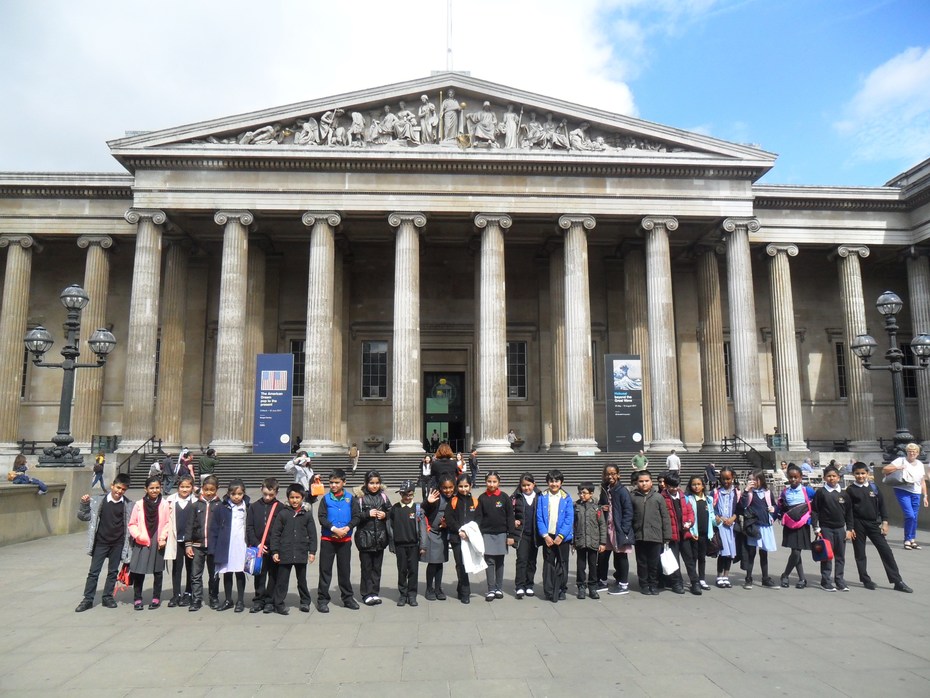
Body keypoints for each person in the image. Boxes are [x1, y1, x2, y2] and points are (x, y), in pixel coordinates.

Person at [846, 462, 913, 592]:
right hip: (857, 524)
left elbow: (882, 506)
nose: (860, 476)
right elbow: (848, 511)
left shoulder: (874, 488)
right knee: (860, 553)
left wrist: (885, 522)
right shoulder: (850, 490)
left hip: (873, 524)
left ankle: (897, 580)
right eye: (857, 473)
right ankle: (865, 579)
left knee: (886, 550)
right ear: (853, 474)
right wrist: (850, 527)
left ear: (867, 474)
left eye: (863, 473)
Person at [75, 473, 133, 612]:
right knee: (94, 572)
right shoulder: (97, 501)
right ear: (112, 485)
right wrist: (84, 504)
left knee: (113, 572)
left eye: (123, 489)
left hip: (118, 543)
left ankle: (107, 596)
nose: (119, 492)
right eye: (118, 488)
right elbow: (84, 517)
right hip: (101, 542)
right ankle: (88, 599)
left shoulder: (129, 505)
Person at [270, 484, 318, 614]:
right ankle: (278, 603)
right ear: (288, 498)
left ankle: (305, 601)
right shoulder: (283, 514)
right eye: (292, 497)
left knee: (302, 580)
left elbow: (313, 534)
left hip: (301, 551)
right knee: (282, 581)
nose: (294, 500)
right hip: (285, 552)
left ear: (302, 498)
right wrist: (275, 551)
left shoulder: (306, 514)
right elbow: (275, 534)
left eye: (297, 497)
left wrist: (312, 551)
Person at [316, 468, 359, 612]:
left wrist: (347, 528)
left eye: (336, 482)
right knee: (325, 570)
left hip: (345, 540)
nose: (333, 485)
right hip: (328, 539)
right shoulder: (326, 499)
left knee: (345, 570)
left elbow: (356, 516)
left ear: (344, 482)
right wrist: (334, 529)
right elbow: (321, 517)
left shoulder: (350, 498)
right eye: (331, 483)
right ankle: (322, 599)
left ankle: (347, 598)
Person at [127, 475, 170, 610]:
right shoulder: (139, 505)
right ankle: (138, 598)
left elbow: (168, 522)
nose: (154, 490)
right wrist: (138, 536)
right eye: (151, 488)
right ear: (145, 489)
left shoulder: (164, 504)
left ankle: (156, 597)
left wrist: (163, 537)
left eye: (157, 488)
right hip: (143, 539)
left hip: (158, 538)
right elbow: (132, 523)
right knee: (139, 570)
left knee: (158, 571)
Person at [811, 465, 853, 592]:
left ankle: (840, 580)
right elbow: (815, 511)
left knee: (840, 556)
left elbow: (849, 512)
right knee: (827, 556)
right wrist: (816, 527)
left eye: (834, 476)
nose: (831, 478)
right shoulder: (821, 492)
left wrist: (849, 529)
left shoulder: (844, 494)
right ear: (824, 478)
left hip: (840, 529)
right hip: (826, 528)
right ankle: (826, 581)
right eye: (829, 476)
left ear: (838, 478)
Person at [475, 471, 515, 601]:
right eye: (489, 481)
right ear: (486, 482)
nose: (491, 484)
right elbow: (479, 517)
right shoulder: (482, 498)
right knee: (489, 561)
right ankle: (491, 588)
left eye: (494, 482)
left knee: (500, 562)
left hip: (502, 534)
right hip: (487, 534)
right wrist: (478, 534)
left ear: (499, 482)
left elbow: (510, 517)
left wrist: (511, 535)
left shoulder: (504, 497)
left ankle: (499, 588)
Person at [386, 479, 427, 607]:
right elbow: (389, 526)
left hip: (414, 545)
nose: (407, 497)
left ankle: (412, 594)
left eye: (410, 494)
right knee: (402, 570)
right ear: (400, 494)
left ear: (414, 494)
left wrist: (423, 545)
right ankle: (403, 594)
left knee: (413, 570)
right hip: (400, 545)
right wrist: (392, 544)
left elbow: (422, 528)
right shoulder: (395, 509)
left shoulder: (418, 508)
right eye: (405, 494)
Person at [210, 479, 250, 612]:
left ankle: (240, 600)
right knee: (227, 572)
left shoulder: (247, 507)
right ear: (228, 494)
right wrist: (213, 547)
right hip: (226, 544)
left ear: (243, 493)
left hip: (241, 544)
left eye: (239, 494)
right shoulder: (221, 507)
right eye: (233, 494)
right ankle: (228, 599)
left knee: (240, 572)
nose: (236, 497)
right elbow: (214, 528)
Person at [353, 470, 391, 606]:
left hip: (380, 538)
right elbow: (355, 516)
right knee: (366, 567)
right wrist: (367, 514)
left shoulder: (384, 497)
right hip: (365, 538)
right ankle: (366, 593)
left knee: (377, 568)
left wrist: (385, 515)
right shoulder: (360, 498)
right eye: (371, 483)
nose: (374, 486)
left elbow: (391, 511)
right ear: (366, 483)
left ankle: (374, 592)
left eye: (377, 483)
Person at [184, 475, 222, 612]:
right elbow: (189, 526)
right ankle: (196, 599)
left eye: (212, 490)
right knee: (195, 574)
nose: (209, 492)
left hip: (213, 546)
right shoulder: (195, 506)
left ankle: (214, 597)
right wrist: (188, 544)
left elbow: (222, 527)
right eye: (206, 489)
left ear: (217, 489)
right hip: (197, 545)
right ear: (202, 489)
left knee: (214, 574)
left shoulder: (220, 505)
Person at [882, 442, 929, 550]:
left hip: (916, 492)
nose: (912, 453)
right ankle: (907, 539)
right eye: (910, 451)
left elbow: (922, 482)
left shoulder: (920, 464)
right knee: (910, 515)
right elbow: (884, 470)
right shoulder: (900, 460)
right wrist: (898, 467)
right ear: (906, 452)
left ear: (918, 453)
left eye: (914, 451)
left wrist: (925, 496)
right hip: (902, 490)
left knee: (914, 517)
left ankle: (912, 539)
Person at [631, 470, 671, 596]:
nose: (644, 484)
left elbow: (665, 517)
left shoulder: (658, 497)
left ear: (651, 482)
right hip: (640, 535)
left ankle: (653, 584)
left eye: (646, 481)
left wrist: (667, 535)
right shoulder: (633, 497)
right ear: (637, 483)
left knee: (654, 562)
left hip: (655, 535)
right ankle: (644, 584)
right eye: (641, 481)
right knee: (641, 562)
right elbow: (630, 516)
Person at [246, 477, 283, 613]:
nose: (267, 497)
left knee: (274, 574)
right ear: (261, 490)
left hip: (274, 547)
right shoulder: (254, 507)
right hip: (258, 547)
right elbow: (249, 527)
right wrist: (257, 543)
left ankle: (270, 600)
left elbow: (281, 529)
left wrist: (275, 547)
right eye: (265, 494)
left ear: (276, 493)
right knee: (259, 574)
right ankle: (259, 599)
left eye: (271, 495)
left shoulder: (280, 507)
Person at [536, 469, 573, 602]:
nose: (554, 484)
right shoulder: (542, 496)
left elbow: (569, 518)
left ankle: (561, 588)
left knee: (562, 564)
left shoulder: (566, 497)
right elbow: (539, 517)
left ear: (561, 482)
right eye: (551, 481)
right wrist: (545, 535)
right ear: (547, 482)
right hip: (548, 536)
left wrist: (561, 535)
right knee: (549, 563)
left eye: (556, 481)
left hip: (562, 537)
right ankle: (549, 590)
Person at [597, 463, 634, 596]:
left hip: (618, 528)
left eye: (613, 473)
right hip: (606, 527)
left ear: (618, 475)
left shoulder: (622, 490)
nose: (610, 476)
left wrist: (624, 529)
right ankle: (602, 580)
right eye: (608, 474)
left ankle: (623, 584)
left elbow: (628, 510)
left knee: (621, 556)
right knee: (603, 555)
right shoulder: (604, 489)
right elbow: (600, 505)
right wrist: (601, 507)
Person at [738, 470, 778, 590]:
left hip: (765, 525)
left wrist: (773, 509)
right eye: (750, 479)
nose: (753, 482)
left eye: (755, 479)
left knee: (764, 553)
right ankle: (748, 578)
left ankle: (765, 578)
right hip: (753, 526)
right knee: (751, 553)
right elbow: (742, 505)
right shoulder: (749, 493)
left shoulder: (767, 492)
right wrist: (746, 490)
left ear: (761, 480)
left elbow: (775, 505)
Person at [444, 474, 480, 604]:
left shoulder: (475, 502)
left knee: (467, 564)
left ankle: (461, 588)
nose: (464, 489)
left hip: (470, 538)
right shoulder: (453, 501)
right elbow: (449, 518)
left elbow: (479, 519)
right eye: (460, 486)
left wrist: (469, 531)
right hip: (456, 538)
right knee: (461, 564)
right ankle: (466, 592)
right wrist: (460, 530)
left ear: (470, 486)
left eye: (466, 486)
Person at [778, 464, 814, 589]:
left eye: (796, 477)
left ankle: (786, 574)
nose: (793, 479)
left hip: (802, 524)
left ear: (801, 478)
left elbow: (816, 504)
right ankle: (802, 579)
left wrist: (814, 522)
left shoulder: (807, 490)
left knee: (796, 551)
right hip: (790, 524)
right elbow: (781, 506)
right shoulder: (785, 491)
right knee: (796, 551)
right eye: (791, 477)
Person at [659, 473, 695, 595]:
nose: (674, 489)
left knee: (689, 560)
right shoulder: (662, 498)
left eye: (676, 486)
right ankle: (677, 583)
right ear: (666, 485)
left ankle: (695, 582)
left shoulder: (683, 496)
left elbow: (690, 512)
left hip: (684, 534)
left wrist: (690, 522)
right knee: (674, 562)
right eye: (671, 486)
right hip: (671, 535)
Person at [422, 473, 455, 600]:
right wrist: (427, 502)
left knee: (440, 562)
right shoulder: (435, 498)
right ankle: (429, 588)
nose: (448, 490)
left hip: (443, 534)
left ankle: (438, 588)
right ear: (440, 488)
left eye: (450, 487)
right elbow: (421, 511)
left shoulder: (454, 498)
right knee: (432, 562)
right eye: (445, 488)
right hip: (432, 533)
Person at [164, 474, 195, 607]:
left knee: (191, 567)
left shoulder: (195, 501)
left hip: (191, 540)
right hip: (175, 539)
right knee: (177, 567)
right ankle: (176, 594)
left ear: (192, 488)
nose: (184, 489)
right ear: (178, 487)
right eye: (182, 486)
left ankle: (188, 593)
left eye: (188, 487)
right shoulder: (170, 500)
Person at [573, 482, 606, 599]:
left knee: (593, 566)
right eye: (580, 493)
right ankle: (581, 586)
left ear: (591, 494)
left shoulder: (597, 508)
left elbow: (602, 525)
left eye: (584, 493)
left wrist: (603, 542)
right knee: (580, 565)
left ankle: (592, 587)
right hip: (580, 541)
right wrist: (573, 541)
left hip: (593, 541)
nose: (581, 495)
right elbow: (574, 525)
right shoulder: (576, 506)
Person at [683, 475, 715, 592]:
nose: (696, 486)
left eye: (698, 484)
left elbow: (711, 515)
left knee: (702, 557)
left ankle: (702, 579)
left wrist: (716, 522)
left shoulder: (708, 499)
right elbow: (688, 516)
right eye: (693, 484)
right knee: (693, 557)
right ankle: (694, 579)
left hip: (705, 533)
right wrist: (691, 531)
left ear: (703, 485)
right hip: (694, 533)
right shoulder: (688, 499)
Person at [512, 472, 541, 599]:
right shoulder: (515, 497)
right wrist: (513, 520)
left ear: (533, 484)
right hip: (521, 534)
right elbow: (509, 512)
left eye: (529, 485)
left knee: (532, 561)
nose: (526, 488)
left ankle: (529, 585)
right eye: (524, 485)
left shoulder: (540, 496)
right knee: (521, 560)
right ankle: (519, 586)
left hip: (535, 534)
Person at [712, 466, 741, 588]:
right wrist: (719, 517)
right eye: (723, 479)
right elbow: (712, 508)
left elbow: (740, 509)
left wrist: (733, 518)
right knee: (722, 552)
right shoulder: (716, 492)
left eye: (728, 479)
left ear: (732, 478)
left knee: (730, 553)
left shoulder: (737, 493)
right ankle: (719, 576)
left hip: (731, 526)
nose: (726, 481)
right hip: (721, 526)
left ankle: (726, 576)